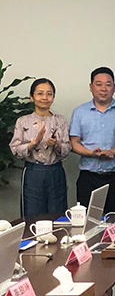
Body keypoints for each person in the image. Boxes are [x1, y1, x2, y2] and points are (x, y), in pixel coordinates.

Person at [10, 78, 71, 216]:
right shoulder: (23, 121)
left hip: (55, 171)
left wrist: (57, 145)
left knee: (58, 213)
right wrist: (33, 143)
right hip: (34, 172)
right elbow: (15, 149)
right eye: (40, 93)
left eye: (49, 94)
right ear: (31, 97)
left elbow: (68, 148)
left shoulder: (60, 120)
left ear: (53, 97)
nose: (45, 97)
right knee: (33, 215)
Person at [70, 67, 115, 212]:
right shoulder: (80, 112)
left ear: (114, 87)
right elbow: (74, 143)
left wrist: (114, 152)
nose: (103, 89)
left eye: (108, 84)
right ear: (91, 87)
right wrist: (91, 153)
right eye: (99, 84)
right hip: (88, 177)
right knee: (88, 220)